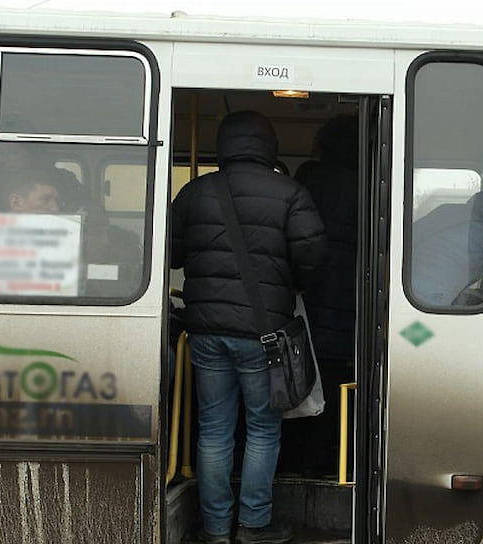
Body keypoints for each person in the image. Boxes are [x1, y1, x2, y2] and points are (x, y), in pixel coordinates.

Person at [171, 110, 327, 544]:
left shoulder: (193, 193)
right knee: (262, 427)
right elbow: (314, 257)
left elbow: (171, 255)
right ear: (268, 147)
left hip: (204, 331)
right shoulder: (290, 192)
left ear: (223, 147)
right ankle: (253, 525)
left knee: (214, 429)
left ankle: (216, 528)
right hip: (265, 334)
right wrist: (287, 284)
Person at [280, 115, 358, 478]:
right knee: (336, 388)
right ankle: (329, 465)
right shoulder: (366, 186)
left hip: (303, 303)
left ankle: (295, 465)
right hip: (347, 304)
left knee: (299, 385)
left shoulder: (305, 184)